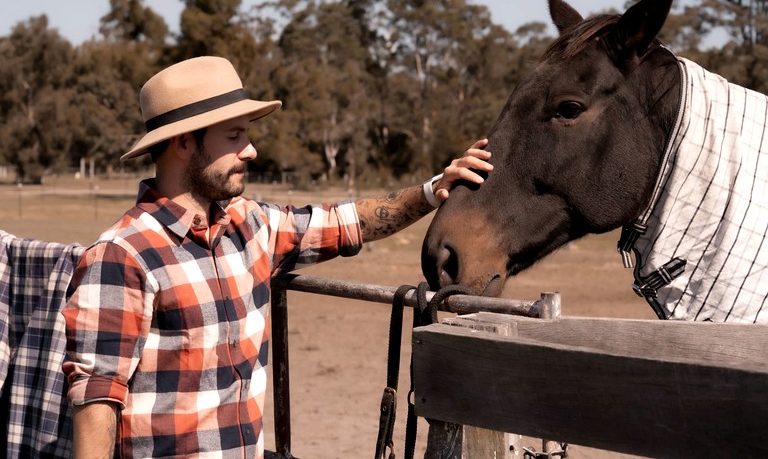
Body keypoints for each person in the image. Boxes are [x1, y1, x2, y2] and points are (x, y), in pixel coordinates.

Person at [62, 56, 493, 459]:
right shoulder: (123, 255)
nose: (250, 150)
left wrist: (431, 190)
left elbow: (346, 223)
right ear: (183, 144)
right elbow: (97, 397)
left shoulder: (250, 226)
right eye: (234, 136)